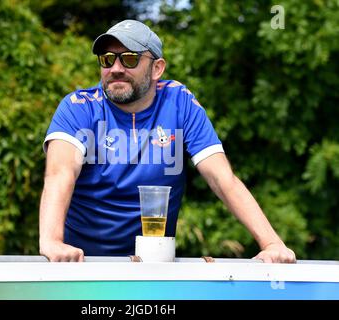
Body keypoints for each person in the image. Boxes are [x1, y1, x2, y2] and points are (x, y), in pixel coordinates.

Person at [39, 19, 296, 263]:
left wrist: (272, 243)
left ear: (157, 68)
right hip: (82, 262)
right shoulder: (78, 106)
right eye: (107, 59)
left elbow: (222, 178)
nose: (116, 68)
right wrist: (52, 241)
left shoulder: (179, 101)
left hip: (153, 265)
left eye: (129, 59)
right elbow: (59, 174)